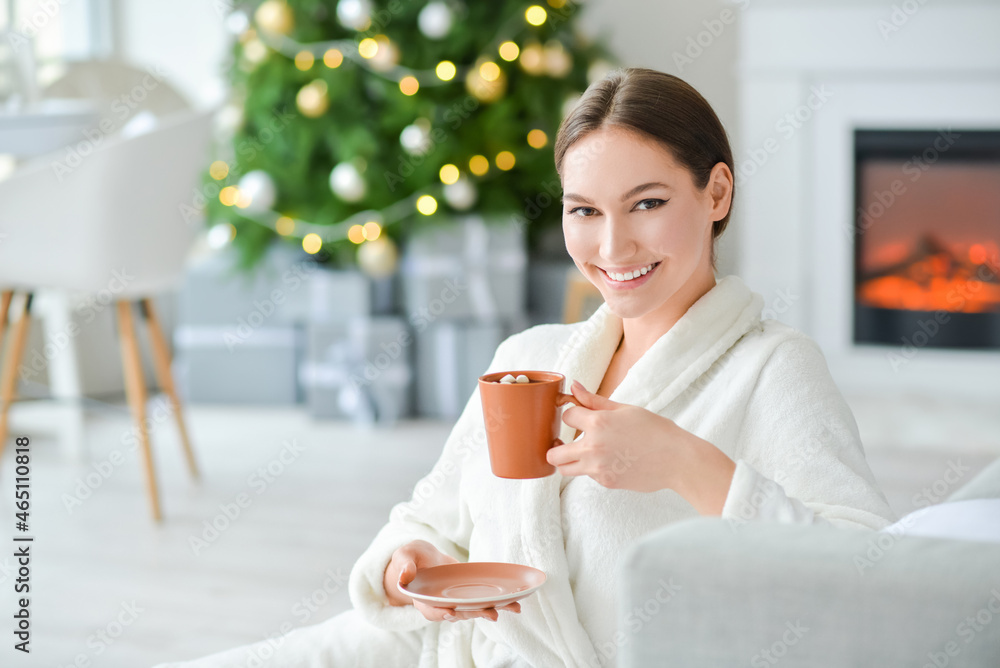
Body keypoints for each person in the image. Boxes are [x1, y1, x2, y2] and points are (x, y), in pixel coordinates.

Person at [154, 66, 895, 668]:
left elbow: (872, 582)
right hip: (433, 649)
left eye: (647, 203)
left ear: (718, 193)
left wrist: (679, 460)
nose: (612, 247)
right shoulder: (530, 359)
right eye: (584, 211)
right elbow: (428, 522)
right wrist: (405, 566)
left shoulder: (771, 370)